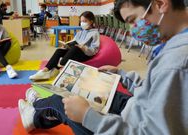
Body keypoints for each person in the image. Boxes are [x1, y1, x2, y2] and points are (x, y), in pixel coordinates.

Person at [19, 0, 188, 134]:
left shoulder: (175, 63)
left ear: (160, 4)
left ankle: (36, 111)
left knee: (64, 99)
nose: (133, 30)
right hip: (138, 107)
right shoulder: (174, 47)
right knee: (90, 90)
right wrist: (121, 75)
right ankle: (38, 108)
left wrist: (88, 117)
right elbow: (154, 91)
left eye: (133, 20)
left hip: (133, 123)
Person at [29, 11, 100, 81]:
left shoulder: (95, 33)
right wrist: (66, 46)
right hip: (74, 52)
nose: (82, 23)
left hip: (85, 54)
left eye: (85, 21)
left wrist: (84, 48)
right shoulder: (81, 32)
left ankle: (59, 66)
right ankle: (45, 71)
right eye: (81, 21)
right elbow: (74, 42)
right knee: (59, 50)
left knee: (75, 48)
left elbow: (94, 50)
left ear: (91, 21)